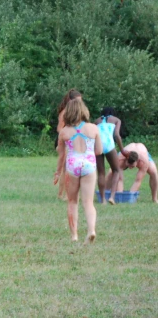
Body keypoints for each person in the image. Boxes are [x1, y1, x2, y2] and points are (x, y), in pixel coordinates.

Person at [54, 98, 102, 243]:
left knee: (72, 201)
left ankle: (74, 235)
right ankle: (91, 230)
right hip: (88, 165)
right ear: (83, 111)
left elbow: (61, 155)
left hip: (72, 166)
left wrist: (57, 173)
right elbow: (99, 151)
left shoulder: (64, 132)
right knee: (88, 202)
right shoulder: (93, 128)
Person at [94, 107, 125, 204]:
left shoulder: (96, 121)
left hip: (97, 145)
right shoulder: (116, 120)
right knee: (116, 170)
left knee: (101, 173)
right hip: (109, 145)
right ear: (112, 113)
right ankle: (112, 196)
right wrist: (122, 150)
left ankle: (103, 200)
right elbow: (116, 135)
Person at [55, 90, 82, 201]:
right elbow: (59, 129)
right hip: (65, 141)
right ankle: (62, 195)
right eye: (78, 101)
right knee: (65, 169)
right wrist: (70, 134)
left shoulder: (77, 112)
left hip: (73, 141)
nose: (80, 103)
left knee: (69, 169)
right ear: (71, 101)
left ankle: (64, 194)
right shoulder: (65, 112)